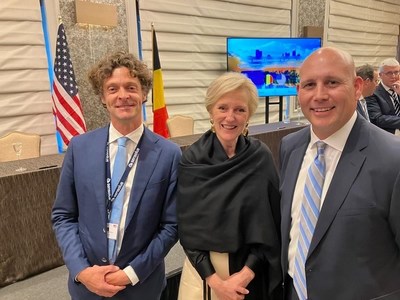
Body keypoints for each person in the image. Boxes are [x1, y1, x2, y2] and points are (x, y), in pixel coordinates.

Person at [51, 51, 181, 299]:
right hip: (86, 287)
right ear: (102, 97)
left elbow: (171, 226)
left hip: (141, 286)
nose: (123, 96)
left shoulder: (169, 154)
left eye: (131, 87)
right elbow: (63, 216)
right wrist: (82, 271)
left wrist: (131, 273)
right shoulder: (79, 148)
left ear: (144, 94)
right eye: (112, 89)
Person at [280, 46, 400, 300]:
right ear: (299, 91)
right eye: (310, 84)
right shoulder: (290, 147)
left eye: (332, 82)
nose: (320, 95)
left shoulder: (393, 159)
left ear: (357, 87)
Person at [177, 72, 282, 300]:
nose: (230, 117)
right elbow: (187, 229)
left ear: (249, 114)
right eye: (222, 108)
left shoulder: (260, 156)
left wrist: (245, 275)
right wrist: (216, 283)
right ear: (211, 111)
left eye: (240, 109)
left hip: (252, 273)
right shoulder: (193, 160)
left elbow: (271, 223)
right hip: (205, 275)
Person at [365, 58, 400, 134]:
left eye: (396, 72)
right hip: (388, 135)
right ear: (380, 75)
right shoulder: (373, 92)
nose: (394, 76)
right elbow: (377, 119)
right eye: (389, 73)